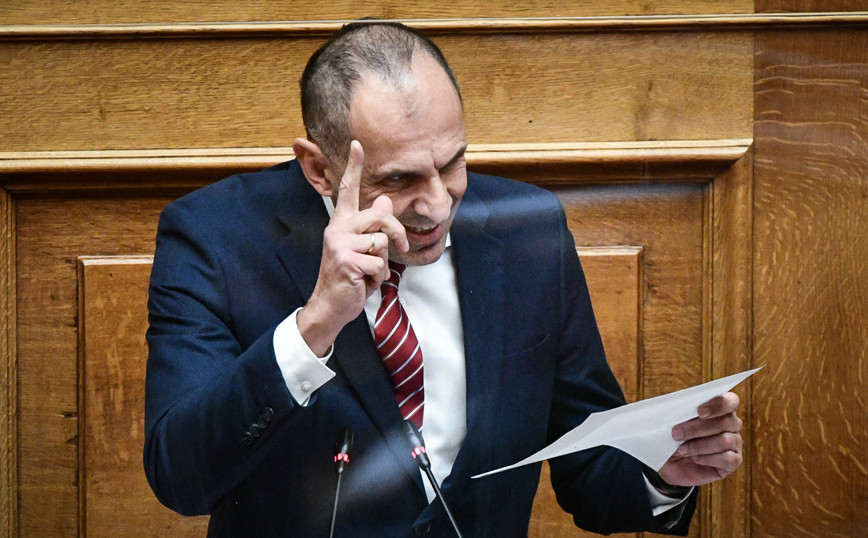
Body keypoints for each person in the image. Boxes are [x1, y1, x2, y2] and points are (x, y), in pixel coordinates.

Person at [144, 22, 743, 537]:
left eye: (453, 163)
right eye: (398, 179)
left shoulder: (530, 233)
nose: (436, 205)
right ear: (319, 169)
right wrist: (315, 324)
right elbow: (181, 480)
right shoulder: (213, 237)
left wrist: (663, 473)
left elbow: (588, 470)